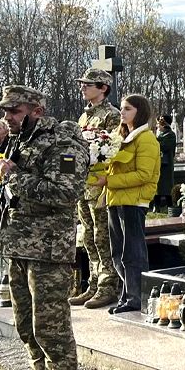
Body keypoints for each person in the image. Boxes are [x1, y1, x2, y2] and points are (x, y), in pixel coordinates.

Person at [0, 85, 88, 370]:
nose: (7, 118)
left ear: (36, 110)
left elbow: (65, 192)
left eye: (13, 111)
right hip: (17, 246)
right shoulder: (21, 140)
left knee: (50, 326)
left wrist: (16, 176)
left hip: (47, 250)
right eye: (5, 112)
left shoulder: (63, 141)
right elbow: (12, 187)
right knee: (26, 325)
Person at [96, 94, 160, 315]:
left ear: (139, 112)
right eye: (122, 108)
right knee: (118, 253)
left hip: (133, 201)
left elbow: (144, 174)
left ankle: (136, 297)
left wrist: (109, 181)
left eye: (128, 109)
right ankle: (127, 294)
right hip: (116, 199)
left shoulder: (146, 139)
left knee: (132, 253)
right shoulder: (122, 137)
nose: (122, 113)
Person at [72, 67, 122, 309]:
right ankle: (92, 283)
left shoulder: (112, 115)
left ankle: (108, 285)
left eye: (88, 84)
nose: (83, 87)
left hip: (101, 184)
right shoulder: (84, 117)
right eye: (82, 84)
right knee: (88, 236)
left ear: (103, 88)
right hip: (84, 183)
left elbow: (113, 150)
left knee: (102, 237)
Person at [154, 115, 176, 212]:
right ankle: (157, 206)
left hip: (166, 165)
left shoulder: (171, 135)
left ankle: (169, 205)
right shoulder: (161, 135)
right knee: (158, 186)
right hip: (159, 164)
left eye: (159, 124)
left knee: (167, 186)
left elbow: (164, 146)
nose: (157, 126)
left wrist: (155, 141)